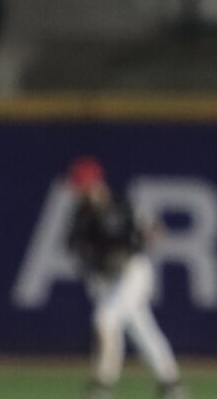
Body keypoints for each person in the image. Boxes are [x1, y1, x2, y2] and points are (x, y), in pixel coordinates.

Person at [65, 156, 185, 399]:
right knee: (141, 328)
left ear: (92, 183)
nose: (76, 191)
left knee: (105, 319)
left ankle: (103, 385)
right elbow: (75, 247)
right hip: (106, 279)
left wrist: (136, 244)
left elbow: (155, 228)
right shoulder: (80, 214)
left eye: (80, 185)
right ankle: (172, 383)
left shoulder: (121, 205)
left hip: (132, 272)